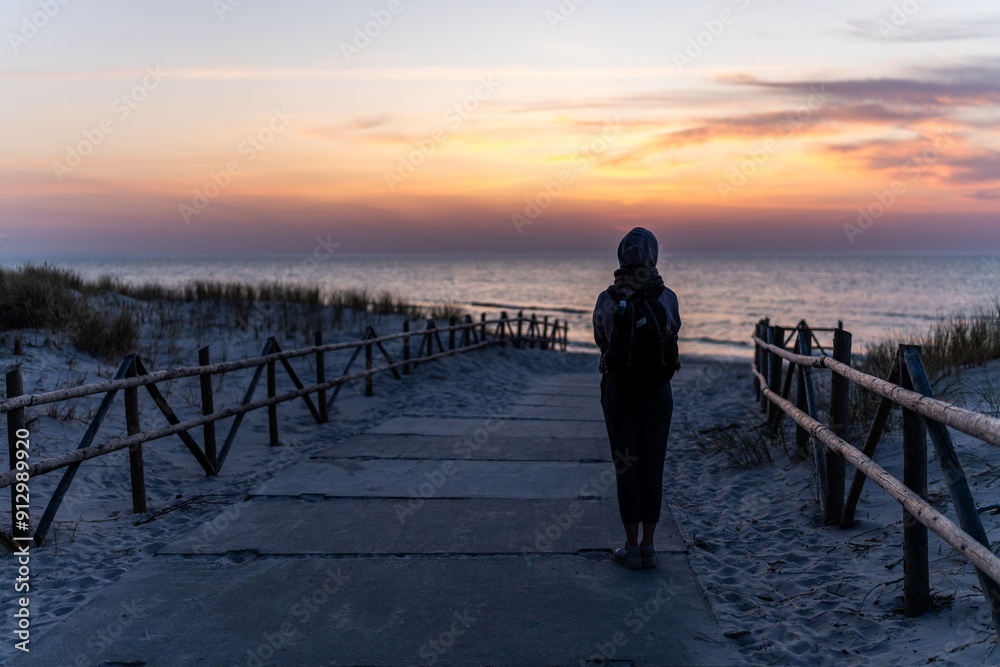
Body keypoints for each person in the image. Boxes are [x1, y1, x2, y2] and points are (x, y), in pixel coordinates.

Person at [593, 227, 681, 569]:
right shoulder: (667, 296)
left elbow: (601, 338)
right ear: (653, 257)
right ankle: (650, 546)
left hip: (619, 391)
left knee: (625, 465)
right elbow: (673, 332)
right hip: (659, 391)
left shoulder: (607, 298)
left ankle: (630, 547)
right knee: (653, 464)